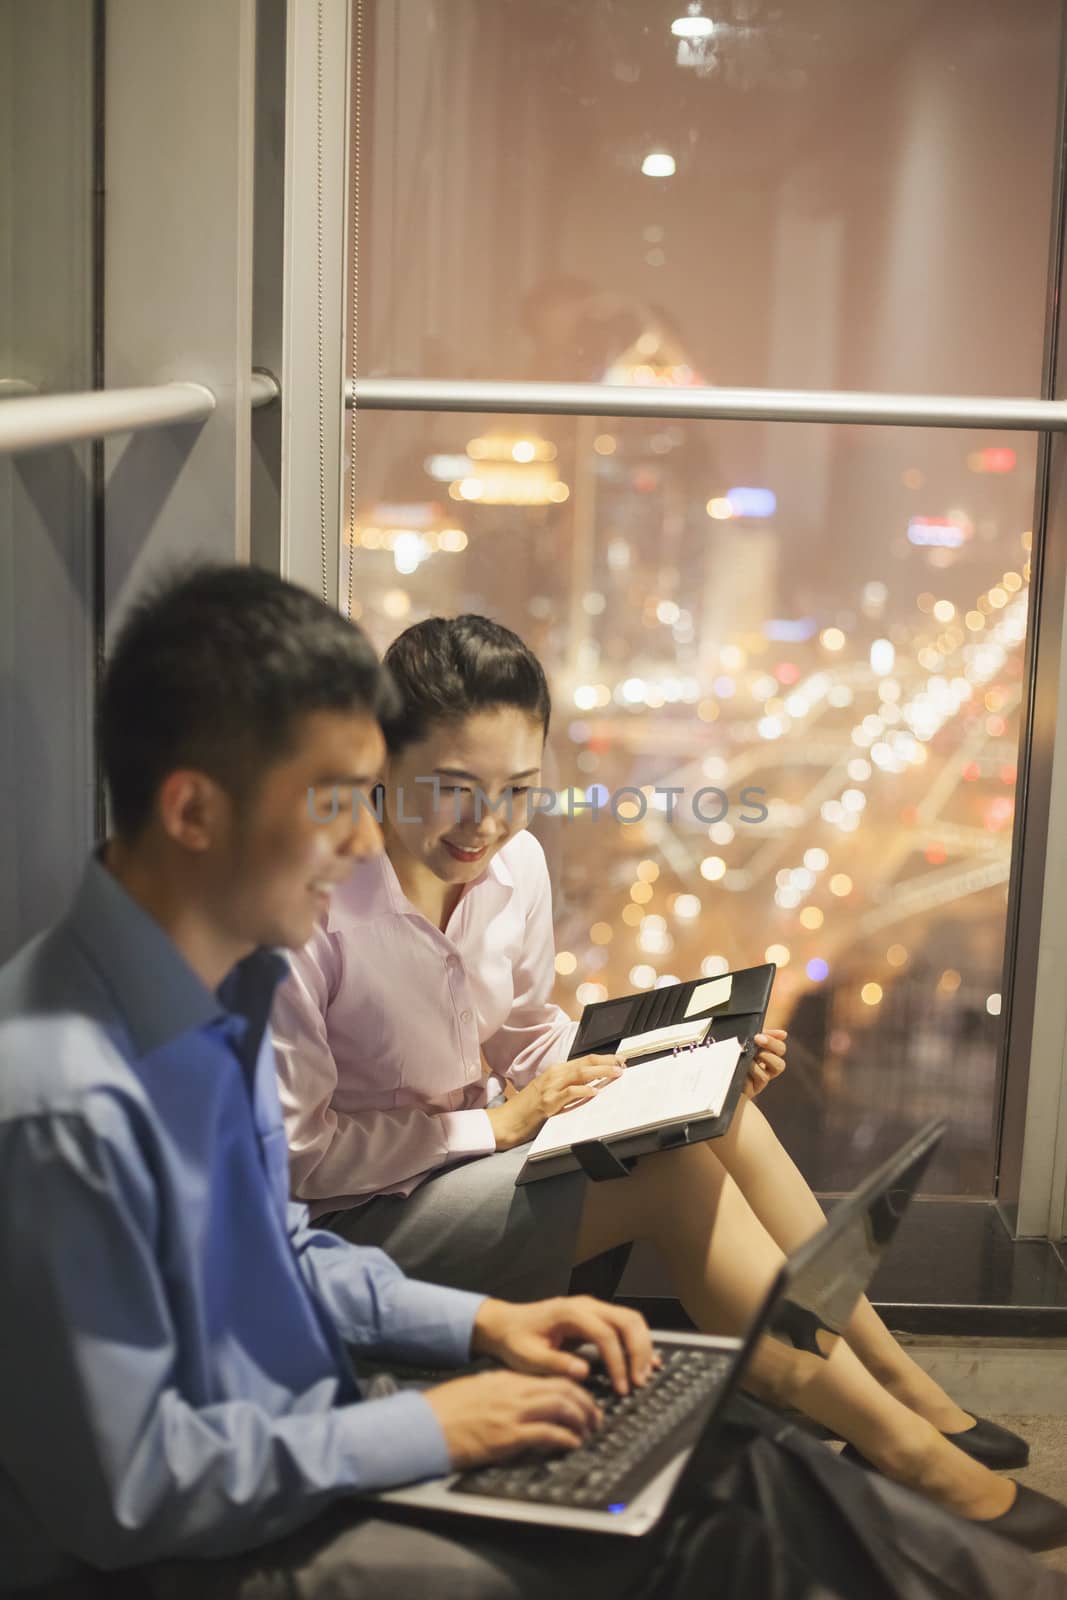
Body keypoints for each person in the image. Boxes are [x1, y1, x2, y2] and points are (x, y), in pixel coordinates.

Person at [4, 565, 1066, 1600]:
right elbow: (137, 1497)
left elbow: (277, 1253)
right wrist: (427, 1425)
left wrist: (475, 1330)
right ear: (193, 814)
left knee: (744, 1470)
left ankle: (890, 1435)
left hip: (305, 1412)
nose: (356, 844)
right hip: (205, 1533)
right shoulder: (66, 1100)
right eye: (334, 801)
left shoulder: (190, 1005)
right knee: (716, 1529)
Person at [274, 611, 1042, 1535]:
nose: (484, 822)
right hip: (356, 1223)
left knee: (720, 1117)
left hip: (466, 1161)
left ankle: (886, 1377)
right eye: (450, 787)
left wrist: (676, 1067)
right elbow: (297, 1157)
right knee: (671, 1179)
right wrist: (498, 1126)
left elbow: (523, 1035)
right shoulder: (308, 904)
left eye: (517, 787)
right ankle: (902, 1448)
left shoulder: (513, 866)